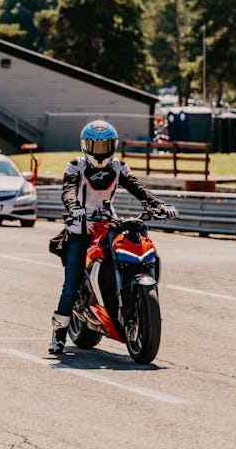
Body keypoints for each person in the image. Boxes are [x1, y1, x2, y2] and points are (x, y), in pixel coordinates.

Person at [49, 120, 178, 355]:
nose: (99, 152)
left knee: (138, 244)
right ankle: (58, 335)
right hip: (81, 226)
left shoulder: (119, 167)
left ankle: (131, 300)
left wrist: (159, 204)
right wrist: (73, 207)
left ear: (113, 146)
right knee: (72, 283)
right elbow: (67, 190)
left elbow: (139, 188)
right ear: (84, 146)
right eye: (94, 146)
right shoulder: (75, 166)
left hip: (109, 222)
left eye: (104, 146)